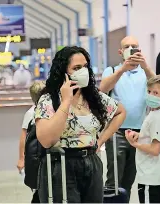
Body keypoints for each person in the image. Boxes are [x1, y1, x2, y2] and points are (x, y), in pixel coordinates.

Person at [35, 46, 126, 203]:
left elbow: (120, 112)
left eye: (85, 67)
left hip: (91, 162)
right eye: (76, 68)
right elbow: (46, 140)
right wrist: (66, 101)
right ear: (63, 72)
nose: (83, 71)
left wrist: (101, 140)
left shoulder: (93, 97)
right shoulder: (49, 100)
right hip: (61, 165)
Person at [99, 36, 155, 198]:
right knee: (114, 177)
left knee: (129, 178)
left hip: (140, 131)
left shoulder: (145, 72)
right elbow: (102, 89)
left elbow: (159, 86)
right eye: (127, 46)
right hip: (116, 132)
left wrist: (146, 67)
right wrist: (122, 69)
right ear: (120, 51)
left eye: (134, 46)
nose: (131, 49)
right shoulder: (112, 70)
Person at [125, 74, 160, 203]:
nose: (151, 95)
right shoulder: (157, 113)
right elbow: (153, 137)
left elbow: (155, 149)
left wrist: (135, 144)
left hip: (150, 177)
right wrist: (140, 136)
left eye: (156, 93)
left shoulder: (158, 117)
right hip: (154, 175)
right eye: (149, 91)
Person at [17, 81, 45, 203]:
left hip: (43, 155)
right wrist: (21, 159)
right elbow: (24, 137)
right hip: (36, 156)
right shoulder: (31, 114)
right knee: (39, 188)